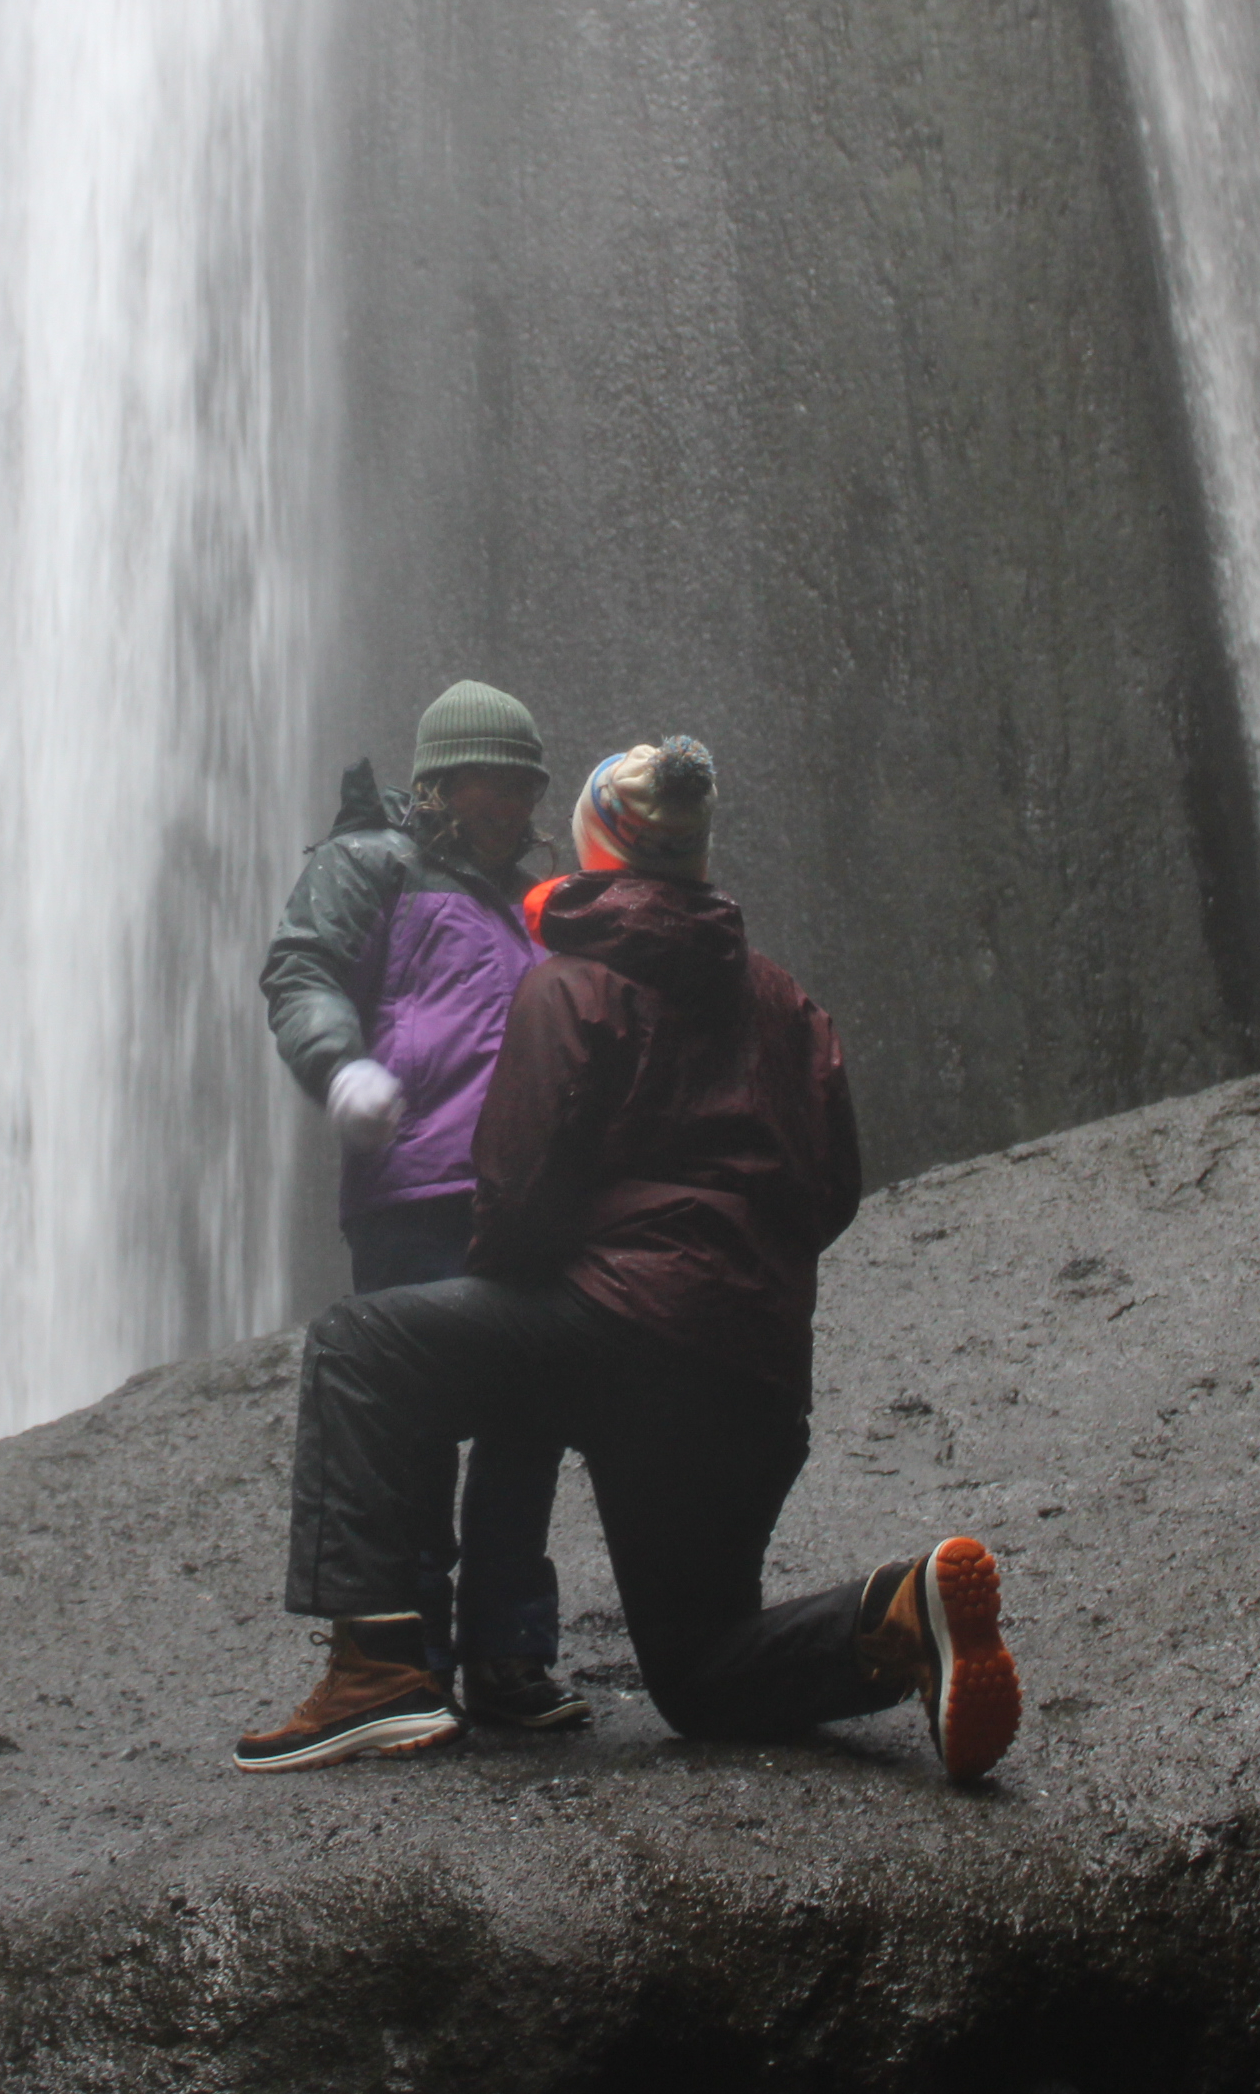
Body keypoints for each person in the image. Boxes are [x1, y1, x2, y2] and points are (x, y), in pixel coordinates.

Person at [236, 736, 1021, 1781]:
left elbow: (515, 1191)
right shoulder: (790, 1003)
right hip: (754, 1384)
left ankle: (377, 1672)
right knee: (698, 1673)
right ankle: (900, 1611)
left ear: (599, 849)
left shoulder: (571, 984)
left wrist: (542, 1286)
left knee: (357, 1347)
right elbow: (832, 1190)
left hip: (621, 1340)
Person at [259, 678, 588, 1738]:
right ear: (442, 780)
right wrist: (338, 1065)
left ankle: (507, 1654)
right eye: (500, 784)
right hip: (415, 1190)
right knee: (409, 1433)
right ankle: (409, 1661)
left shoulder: (528, 902)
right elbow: (301, 967)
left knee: (526, 1426)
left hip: (525, 1197)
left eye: (528, 788)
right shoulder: (368, 863)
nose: (517, 807)